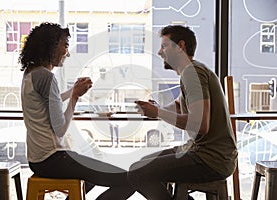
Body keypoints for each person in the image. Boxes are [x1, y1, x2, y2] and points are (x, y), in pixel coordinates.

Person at [19, 22, 135, 200]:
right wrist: (75, 97)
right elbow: (60, 129)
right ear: (50, 45)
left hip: (38, 160)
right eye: (65, 45)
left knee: (92, 169)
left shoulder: (31, 73)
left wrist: (73, 91)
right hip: (53, 158)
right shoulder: (47, 77)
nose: (68, 52)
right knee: (129, 179)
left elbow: (51, 101)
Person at [127, 25, 238, 200]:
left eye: (164, 46)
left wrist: (157, 113)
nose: (159, 52)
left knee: (137, 172)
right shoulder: (192, 72)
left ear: (180, 47)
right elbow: (179, 106)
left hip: (210, 159)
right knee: (142, 165)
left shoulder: (192, 73)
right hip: (202, 152)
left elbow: (200, 125)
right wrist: (155, 109)